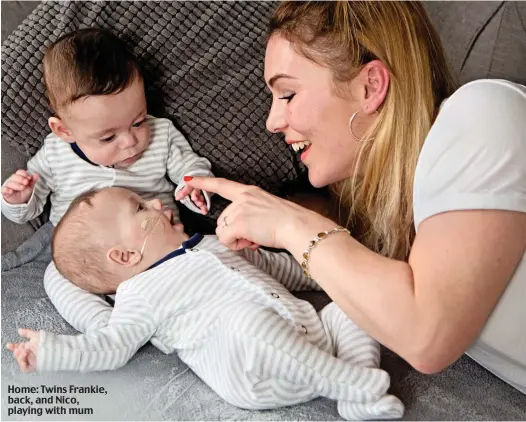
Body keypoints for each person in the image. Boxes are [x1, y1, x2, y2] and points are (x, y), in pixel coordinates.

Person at [183, 1, 526, 394]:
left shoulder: (483, 114)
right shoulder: (393, 209)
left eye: (288, 94)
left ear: (371, 86)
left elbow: (426, 336)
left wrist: (287, 223)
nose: (272, 122)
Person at [8, 187, 404, 420]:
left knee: (350, 306)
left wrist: (337, 274)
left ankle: (358, 387)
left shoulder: (211, 243)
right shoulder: (140, 295)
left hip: (309, 333)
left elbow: (280, 268)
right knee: (248, 324)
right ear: (125, 256)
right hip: (253, 370)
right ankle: (344, 383)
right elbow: (110, 345)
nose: (159, 204)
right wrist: (51, 351)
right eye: (141, 209)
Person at [0, 28, 215, 317]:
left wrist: (196, 188)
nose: (129, 143)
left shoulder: (162, 134)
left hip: (158, 250)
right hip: (88, 266)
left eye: (138, 122)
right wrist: (18, 199)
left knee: (211, 258)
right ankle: (103, 329)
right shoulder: (55, 153)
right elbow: (28, 211)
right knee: (57, 277)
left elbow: (190, 168)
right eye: (108, 138)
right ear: (64, 130)